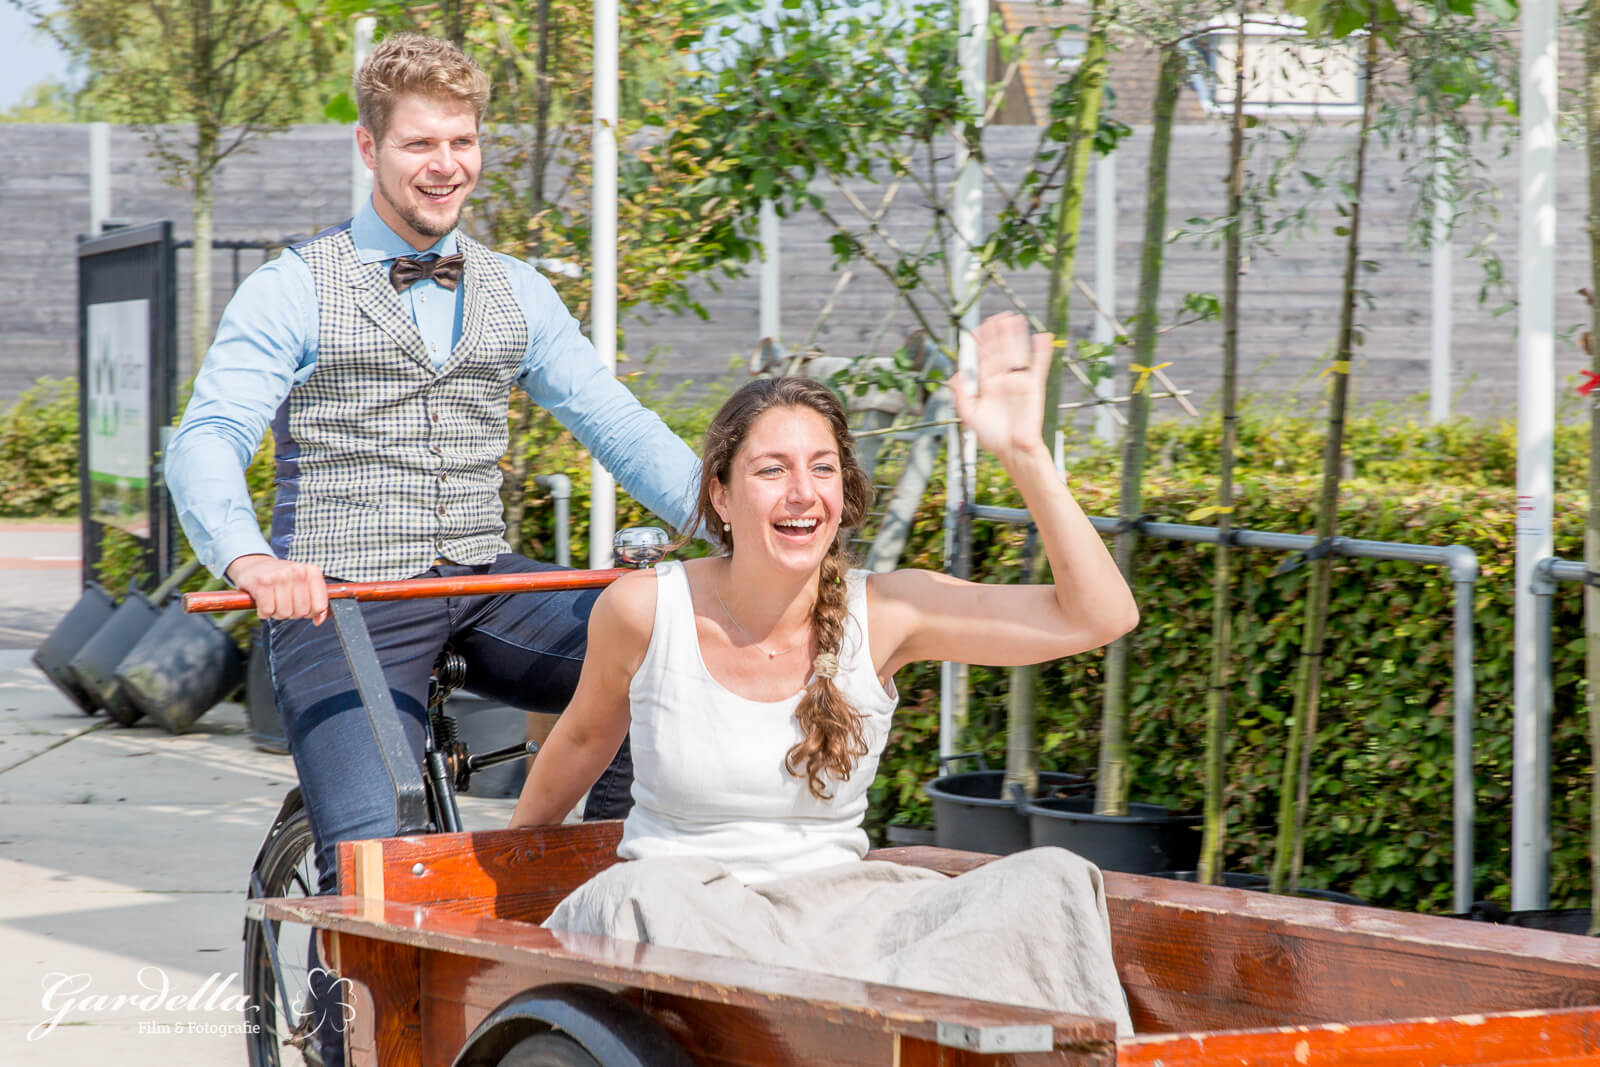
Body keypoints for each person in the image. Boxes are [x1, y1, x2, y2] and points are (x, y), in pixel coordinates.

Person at [167, 33, 699, 893]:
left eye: (463, 140)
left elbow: (616, 423)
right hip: (342, 596)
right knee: (379, 869)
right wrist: (251, 559)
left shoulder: (518, 289)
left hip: (484, 577)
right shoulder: (292, 286)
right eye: (420, 142)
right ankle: (353, 980)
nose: (445, 164)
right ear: (369, 146)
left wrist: (734, 521)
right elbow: (210, 434)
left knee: (672, 657)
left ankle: (603, 890)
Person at [508, 312, 1140, 1033]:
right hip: (687, 914)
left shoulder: (889, 611)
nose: (802, 491)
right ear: (721, 495)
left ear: (843, 493)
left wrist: (1024, 451)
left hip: (844, 922)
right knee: (638, 894)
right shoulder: (645, 608)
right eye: (771, 469)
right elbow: (582, 740)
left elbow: (1100, 616)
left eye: (822, 467)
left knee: (1051, 879)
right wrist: (500, 884)